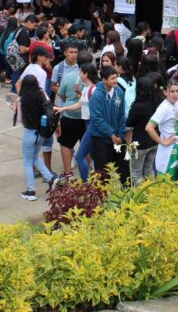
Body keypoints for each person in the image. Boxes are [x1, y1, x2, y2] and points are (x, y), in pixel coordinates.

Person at [17, 74, 59, 200]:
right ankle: (51, 178)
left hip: (30, 133)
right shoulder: (41, 94)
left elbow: (20, 119)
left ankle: (31, 191)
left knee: (27, 162)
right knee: (34, 157)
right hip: (42, 132)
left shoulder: (22, 100)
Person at [88, 65, 129, 182]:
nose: (115, 80)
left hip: (117, 137)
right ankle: (103, 197)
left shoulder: (119, 92)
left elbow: (122, 114)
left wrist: (120, 134)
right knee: (102, 173)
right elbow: (97, 119)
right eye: (112, 78)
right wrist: (111, 134)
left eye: (116, 77)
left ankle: (127, 194)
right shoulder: (97, 95)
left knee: (124, 169)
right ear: (104, 80)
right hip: (100, 138)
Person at [53, 49, 88, 179]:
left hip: (69, 116)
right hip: (86, 117)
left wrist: (69, 100)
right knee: (87, 144)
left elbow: (61, 94)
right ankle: (88, 171)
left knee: (66, 144)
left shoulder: (68, 77)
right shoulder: (95, 79)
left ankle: (68, 173)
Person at [125, 77, 161, 186]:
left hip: (139, 144)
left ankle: (139, 197)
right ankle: (151, 192)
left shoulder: (137, 107)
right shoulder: (157, 104)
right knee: (149, 169)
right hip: (154, 142)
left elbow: (129, 124)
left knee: (136, 171)